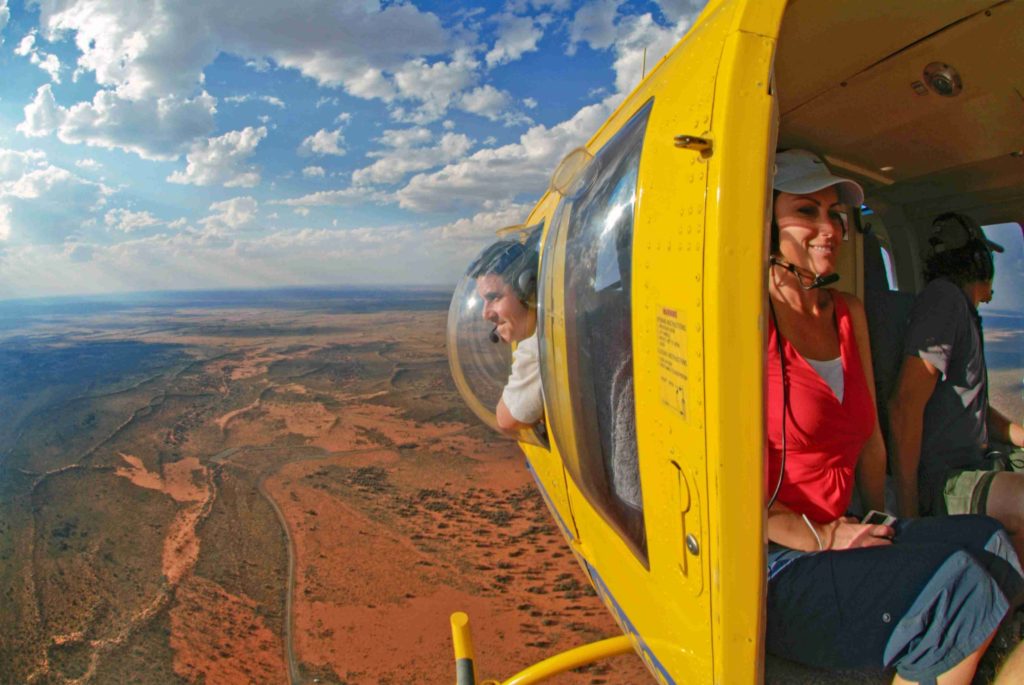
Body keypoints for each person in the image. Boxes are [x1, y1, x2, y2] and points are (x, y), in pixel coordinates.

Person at [765, 150, 1022, 684]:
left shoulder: (846, 313)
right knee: (960, 589)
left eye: (834, 214)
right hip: (777, 554)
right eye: (806, 212)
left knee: (993, 543)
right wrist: (823, 538)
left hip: (846, 527)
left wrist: (889, 523)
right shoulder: (749, 320)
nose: (828, 228)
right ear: (766, 224)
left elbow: (872, 442)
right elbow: (720, 482)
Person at [889, 212, 1024, 559]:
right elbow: (905, 405)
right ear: (977, 260)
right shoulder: (944, 301)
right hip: (946, 479)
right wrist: (910, 515)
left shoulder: (960, 309)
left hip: (972, 464)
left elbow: (973, 404)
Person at [467, 237, 543, 436]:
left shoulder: (543, 347)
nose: (486, 314)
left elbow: (508, 419)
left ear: (528, 289)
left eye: (494, 298)